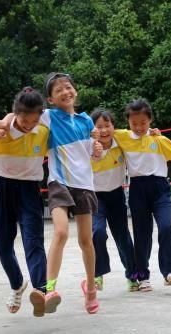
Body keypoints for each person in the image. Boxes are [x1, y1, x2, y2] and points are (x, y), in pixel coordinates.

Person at [0, 87, 49, 317]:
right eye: (25, 119)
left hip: (30, 190)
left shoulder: (43, 132)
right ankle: (17, 285)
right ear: (15, 113)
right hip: (3, 188)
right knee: (4, 244)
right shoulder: (0, 132)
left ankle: (40, 290)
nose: (29, 125)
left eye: (35, 120)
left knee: (33, 241)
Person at [113, 99, 171, 292]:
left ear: (150, 120)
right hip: (137, 189)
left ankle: (169, 272)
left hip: (160, 189)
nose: (139, 127)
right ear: (128, 122)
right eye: (134, 124)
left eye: (143, 123)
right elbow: (103, 131)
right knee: (142, 235)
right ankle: (142, 276)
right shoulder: (122, 136)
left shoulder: (158, 139)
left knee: (167, 228)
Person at [39, 72, 102, 315]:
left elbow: (93, 155)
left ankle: (91, 289)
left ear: (75, 90)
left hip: (84, 185)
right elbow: (24, 117)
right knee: (61, 231)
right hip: (59, 183)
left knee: (86, 241)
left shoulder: (87, 121)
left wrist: (96, 149)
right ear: (51, 99)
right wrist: (4, 126)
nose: (65, 92)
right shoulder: (48, 117)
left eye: (68, 87)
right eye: (58, 90)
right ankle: (50, 289)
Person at [90, 108, 138, 292]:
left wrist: (153, 132)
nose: (103, 130)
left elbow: (139, 133)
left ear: (113, 126)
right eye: (99, 127)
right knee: (98, 233)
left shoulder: (121, 138)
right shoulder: (87, 145)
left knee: (123, 237)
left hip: (116, 195)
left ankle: (133, 276)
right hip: (95, 198)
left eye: (107, 125)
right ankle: (97, 274)